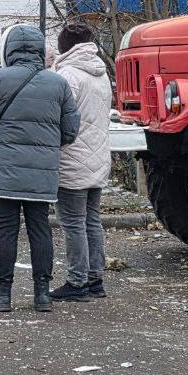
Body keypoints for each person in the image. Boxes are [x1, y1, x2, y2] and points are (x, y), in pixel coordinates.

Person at [0, 24, 80, 313]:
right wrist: (46, 145)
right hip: (43, 171)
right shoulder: (58, 83)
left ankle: (2, 294)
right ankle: (42, 294)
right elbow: (71, 130)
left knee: (5, 229)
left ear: (9, 50)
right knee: (40, 230)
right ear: (39, 50)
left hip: (3, 170)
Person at [50, 23, 113, 302]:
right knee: (92, 220)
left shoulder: (68, 76)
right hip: (98, 156)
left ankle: (76, 282)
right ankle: (95, 279)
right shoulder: (99, 72)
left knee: (73, 222)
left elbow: (59, 119)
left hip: (72, 158)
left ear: (65, 46)